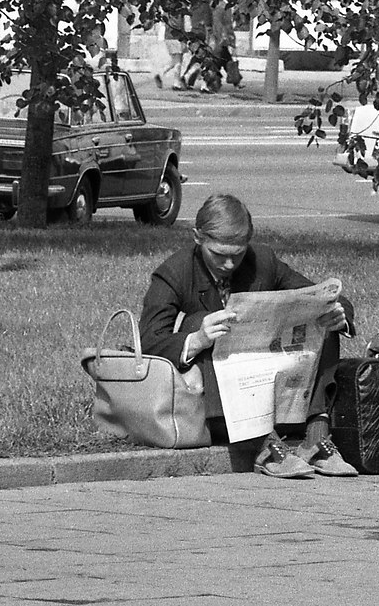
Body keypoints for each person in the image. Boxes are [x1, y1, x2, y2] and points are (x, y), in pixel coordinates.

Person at [139, 194, 358, 479]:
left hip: (266, 371)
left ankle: (316, 438)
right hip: (216, 390)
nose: (229, 264)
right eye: (219, 254)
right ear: (197, 237)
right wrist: (197, 339)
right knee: (201, 322)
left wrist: (339, 314)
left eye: (238, 253)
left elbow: (320, 294)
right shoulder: (174, 272)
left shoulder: (262, 260)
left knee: (321, 319)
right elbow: (150, 339)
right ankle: (261, 445)